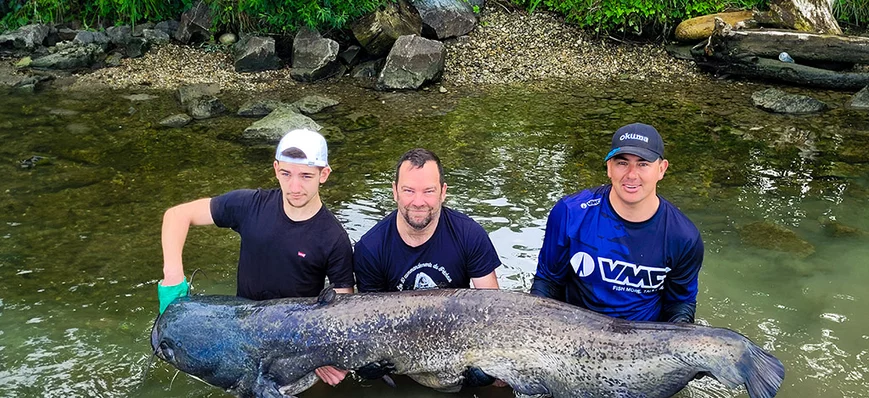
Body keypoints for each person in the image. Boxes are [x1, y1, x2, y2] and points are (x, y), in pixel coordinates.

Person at [156, 128, 354, 385]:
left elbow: (343, 303)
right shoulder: (249, 206)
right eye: (286, 174)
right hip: (240, 333)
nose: (294, 187)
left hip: (293, 343)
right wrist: (172, 279)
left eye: (306, 176)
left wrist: (329, 352)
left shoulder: (334, 237)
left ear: (323, 174)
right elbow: (177, 215)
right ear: (275, 169)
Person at [531, 123, 704, 323]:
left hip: (643, 338)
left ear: (661, 169)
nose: (631, 175)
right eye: (622, 163)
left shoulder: (683, 237)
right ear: (609, 168)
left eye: (643, 164)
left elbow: (680, 305)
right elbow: (547, 282)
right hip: (575, 330)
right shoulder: (571, 213)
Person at [353, 148, 501, 292]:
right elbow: (371, 312)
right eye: (409, 191)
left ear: (443, 192)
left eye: (428, 191)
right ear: (395, 191)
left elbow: (492, 305)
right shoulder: (370, 249)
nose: (418, 202)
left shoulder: (470, 235)